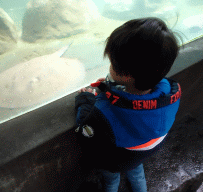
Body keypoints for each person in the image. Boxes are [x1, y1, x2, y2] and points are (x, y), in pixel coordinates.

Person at [75, 17, 182, 192]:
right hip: (143, 151)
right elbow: (137, 101)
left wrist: (84, 100)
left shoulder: (104, 111)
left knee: (111, 180)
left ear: (125, 76)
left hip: (117, 158)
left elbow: (85, 131)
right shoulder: (171, 91)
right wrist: (111, 88)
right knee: (137, 173)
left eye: (112, 63)